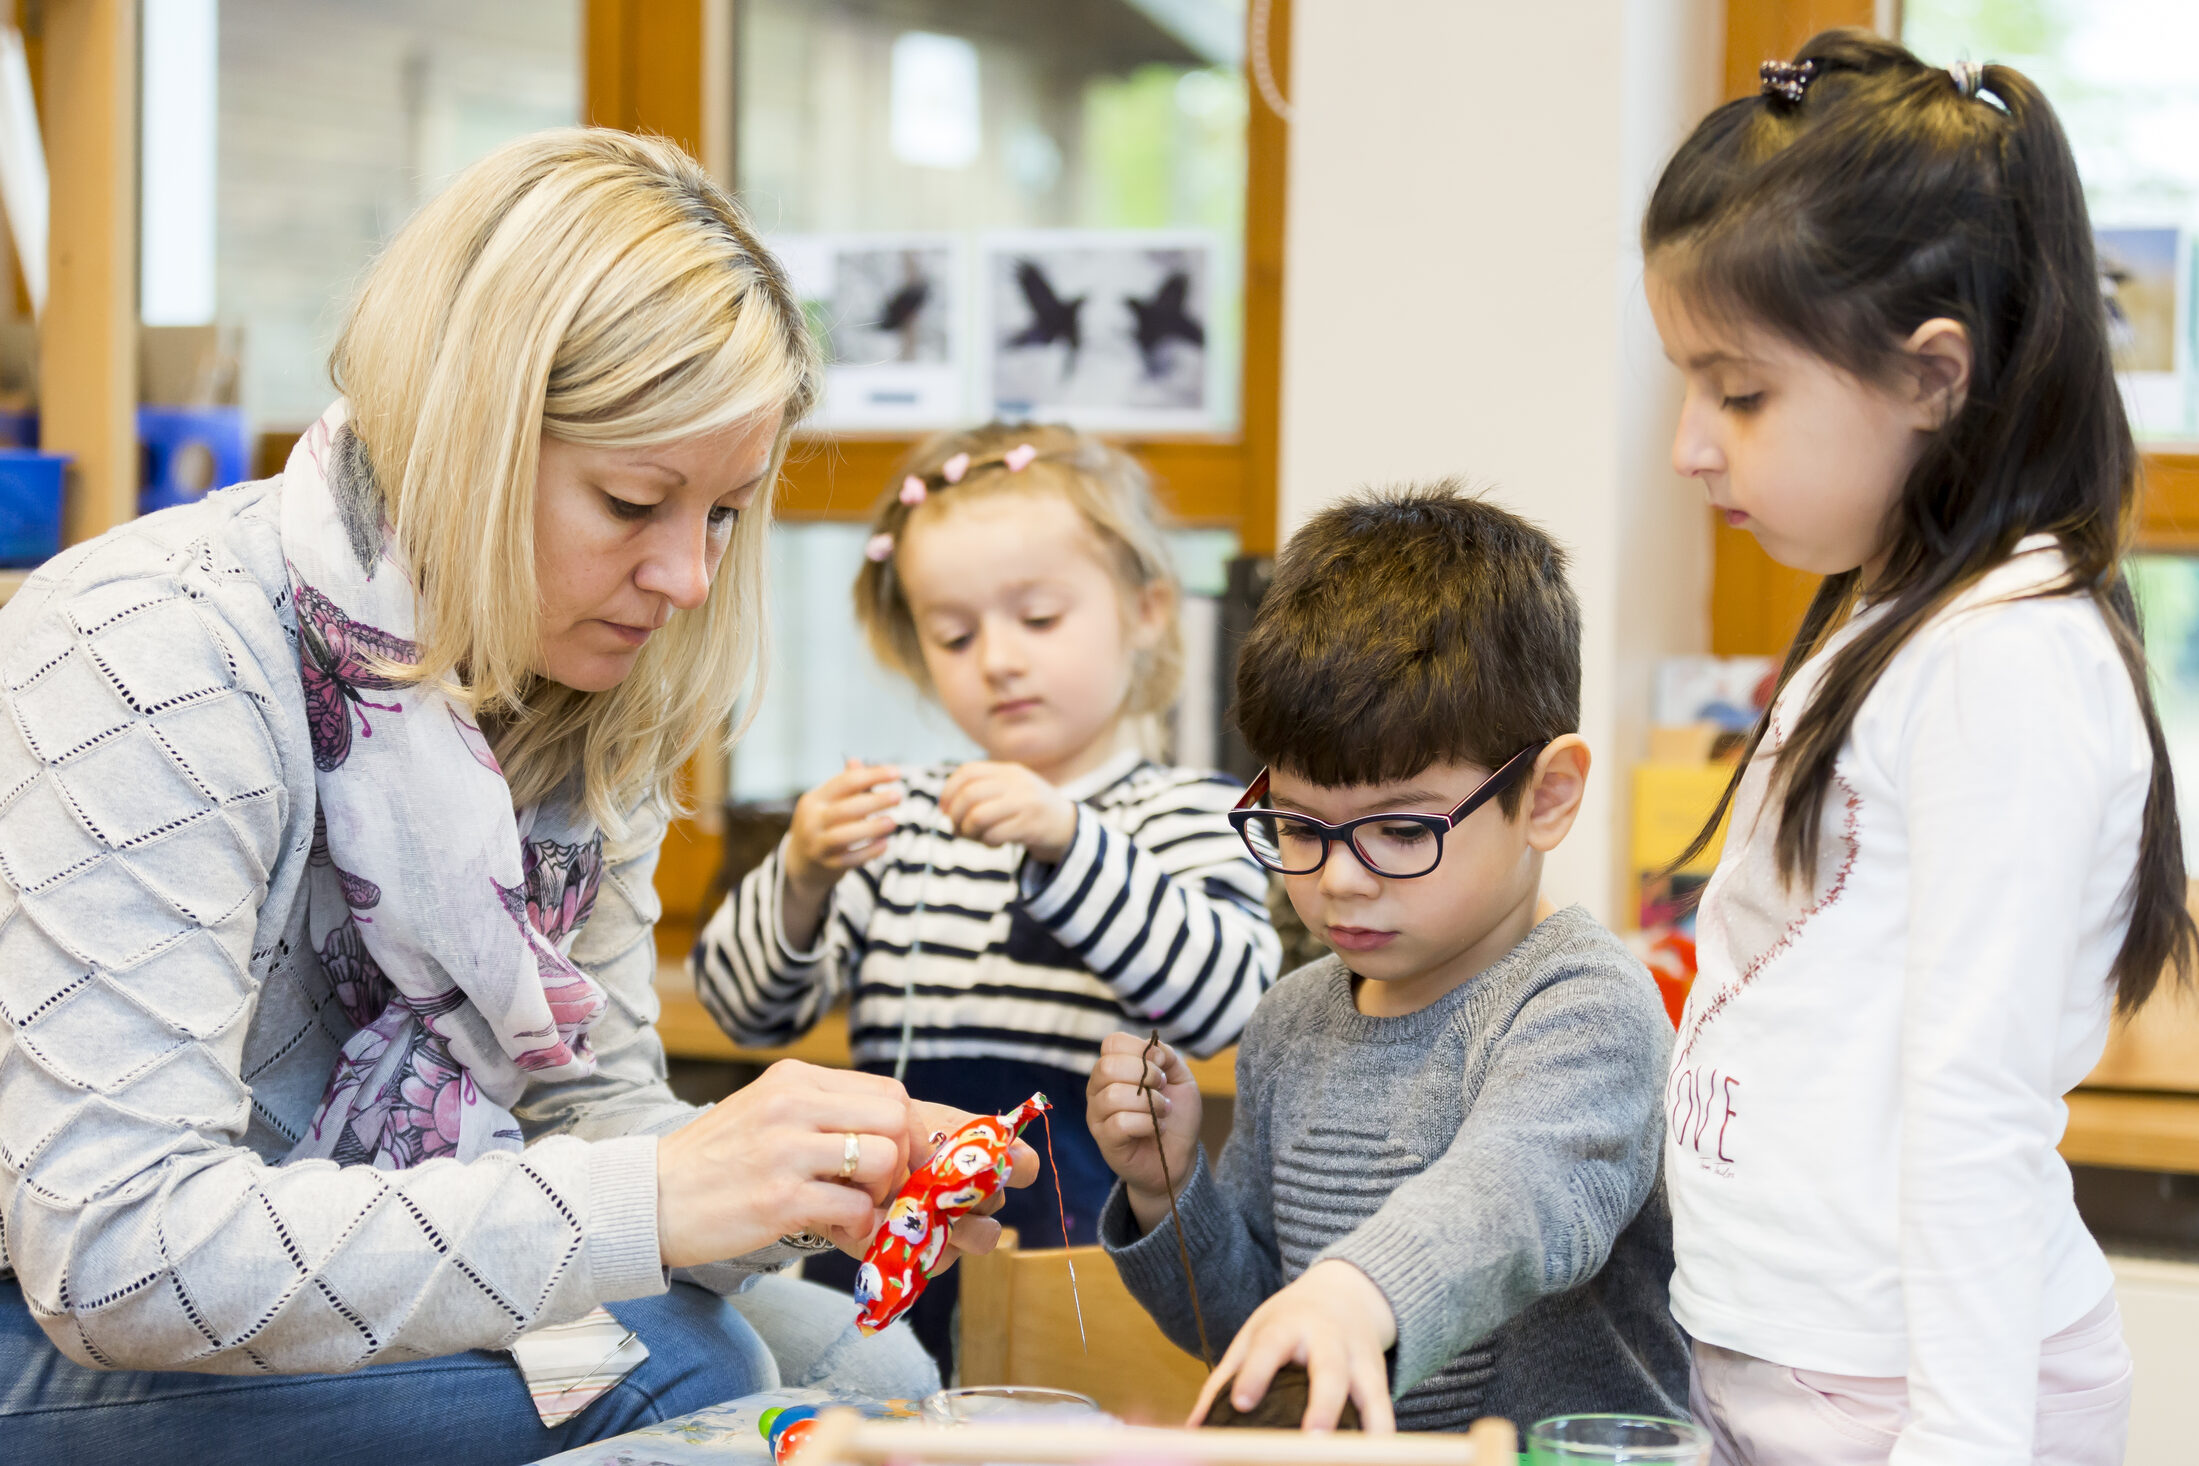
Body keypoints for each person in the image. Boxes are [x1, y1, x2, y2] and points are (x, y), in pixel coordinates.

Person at [0, 130, 1031, 1466]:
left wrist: (804, 1177)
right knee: (687, 1368)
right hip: (59, 1302)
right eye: (633, 499)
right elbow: (117, 1255)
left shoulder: (572, 678)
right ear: (464, 437)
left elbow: (585, 1112)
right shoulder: (152, 651)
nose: (688, 578)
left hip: (298, 1249)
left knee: (870, 1362)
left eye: (722, 513)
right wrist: (666, 1192)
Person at [1642, 31, 2193, 1465]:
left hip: (1919, 1401)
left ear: (1930, 376)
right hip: (1796, 1360)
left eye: (1737, 392)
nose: (1689, 448)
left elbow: (1968, 1099)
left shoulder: (2003, 656)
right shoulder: (1897, 609)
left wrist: (1958, 1439)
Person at [1087, 485, 1688, 1433]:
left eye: (1401, 830)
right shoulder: (1291, 1022)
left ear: (1546, 795)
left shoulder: (1581, 1006)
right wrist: (1164, 1190)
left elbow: (1513, 1194)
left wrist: (1351, 1292)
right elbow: (1254, 1336)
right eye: (1299, 825)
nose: (1339, 881)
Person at [691, 422, 1281, 1368]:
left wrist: (1069, 840)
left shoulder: (1182, 810)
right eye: (955, 634)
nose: (998, 659)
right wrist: (801, 877)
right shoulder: (904, 814)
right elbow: (750, 1010)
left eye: (1039, 619)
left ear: (1147, 610)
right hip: (890, 1246)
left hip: (1085, 1253)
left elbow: (1225, 1006)